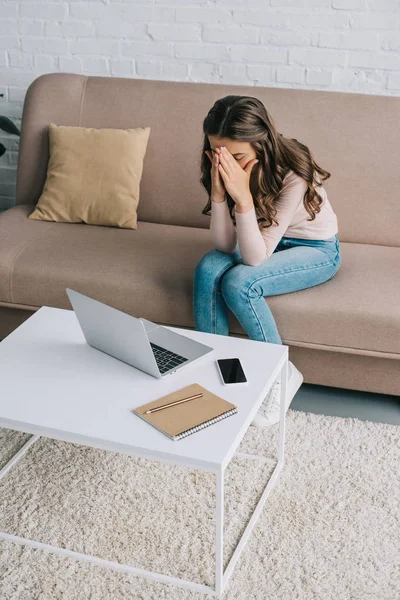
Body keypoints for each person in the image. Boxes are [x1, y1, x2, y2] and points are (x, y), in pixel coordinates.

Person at [193, 95, 341, 426]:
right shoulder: (224, 164)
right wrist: (219, 195)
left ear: (262, 144)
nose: (227, 162)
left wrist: (243, 196)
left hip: (313, 248)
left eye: (238, 156)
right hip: (258, 238)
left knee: (239, 283)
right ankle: (220, 374)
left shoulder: (293, 170)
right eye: (219, 153)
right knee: (207, 268)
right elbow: (224, 244)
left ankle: (280, 374)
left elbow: (254, 259)